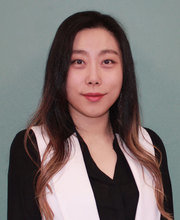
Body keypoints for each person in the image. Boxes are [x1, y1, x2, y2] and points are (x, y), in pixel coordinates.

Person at [8, 11, 174, 220]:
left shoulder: (149, 147)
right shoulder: (33, 149)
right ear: (59, 71)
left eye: (107, 61)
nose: (93, 78)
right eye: (78, 61)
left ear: (125, 71)